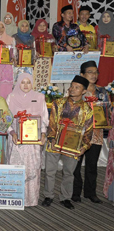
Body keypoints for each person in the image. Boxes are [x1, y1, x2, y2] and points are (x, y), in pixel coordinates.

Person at [43, 75, 93, 209]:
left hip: (73, 145)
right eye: (72, 86)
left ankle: (65, 197)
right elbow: (52, 122)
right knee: (50, 171)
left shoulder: (87, 109)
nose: (72, 89)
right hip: (55, 142)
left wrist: (85, 145)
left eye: (77, 87)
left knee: (69, 173)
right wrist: (52, 138)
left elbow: (88, 129)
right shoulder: (58, 103)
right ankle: (48, 195)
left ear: (83, 91)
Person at [5, 73, 48, 207]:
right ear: (18, 83)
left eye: (28, 82)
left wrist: (43, 134)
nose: (25, 85)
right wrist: (11, 132)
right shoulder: (11, 97)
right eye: (22, 82)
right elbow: (6, 119)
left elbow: (45, 118)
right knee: (16, 168)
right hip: (16, 141)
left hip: (33, 143)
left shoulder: (39, 97)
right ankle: (15, 198)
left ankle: (31, 200)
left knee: (32, 168)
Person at [73, 61, 110, 204]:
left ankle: (90, 192)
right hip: (78, 134)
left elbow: (107, 111)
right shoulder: (76, 90)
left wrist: (107, 118)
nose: (94, 75)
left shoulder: (102, 92)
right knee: (75, 164)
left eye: (96, 72)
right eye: (90, 72)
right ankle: (75, 192)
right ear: (82, 74)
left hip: (96, 134)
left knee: (92, 165)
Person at [30, 19, 55, 89]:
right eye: (40, 25)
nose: (42, 27)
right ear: (36, 26)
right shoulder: (32, 36)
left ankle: (47, 96)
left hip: (48, 62)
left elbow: (53, 47)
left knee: (47, 80)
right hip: (36, 62)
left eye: (44, 25)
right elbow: (30, 48)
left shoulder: (50, 37)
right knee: (36, 80)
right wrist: (34, 52)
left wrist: (54, 48)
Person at [95, 11, 114, 87]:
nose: (106, 18)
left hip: (112, 58)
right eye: (104, 17)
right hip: (100, 58)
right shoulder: (97, 28)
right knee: (101, 77)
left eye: (108, 16)